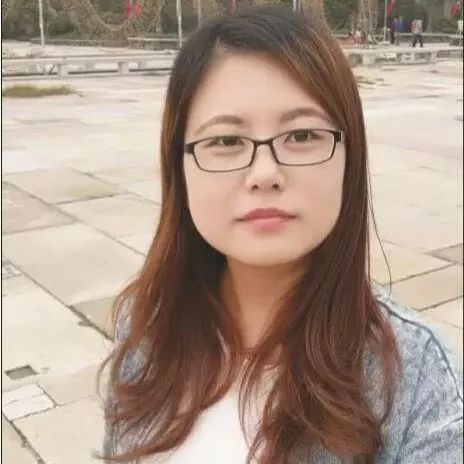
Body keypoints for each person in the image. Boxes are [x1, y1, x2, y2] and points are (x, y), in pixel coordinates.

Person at [100, 5, 463, 464]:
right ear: (180, 166)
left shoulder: (418, 383)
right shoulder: (146, 326)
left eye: (302, 135)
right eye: (226, 141)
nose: (265, 174)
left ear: (349, 156)